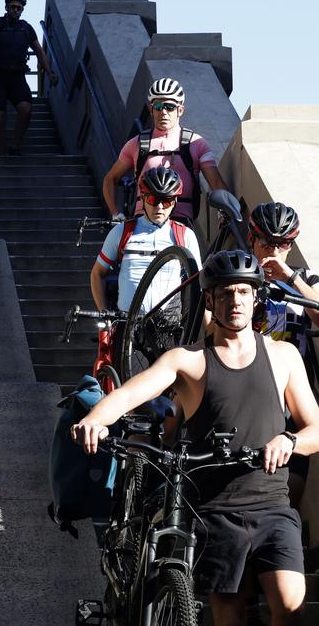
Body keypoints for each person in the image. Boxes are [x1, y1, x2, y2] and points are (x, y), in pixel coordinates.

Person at [72, 249, 319, 626]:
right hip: (214, 510)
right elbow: (132, 392)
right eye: (225, 293)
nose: (236, 301)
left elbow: (315, 429)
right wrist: (97, 419)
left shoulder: (283, 356)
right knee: (228, 620)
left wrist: (290, 440)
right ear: (209, 300)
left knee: (290, 607)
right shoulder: (189, 361)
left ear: (256, 298)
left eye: (244, 292)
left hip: (272, 505)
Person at [248, 201, 319, 506]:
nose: (274, 251)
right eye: (267, 243)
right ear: (252, 239)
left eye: (283, 244)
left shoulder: (306, 280)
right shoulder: (240, 277)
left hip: (291, 404)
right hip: (245, 395)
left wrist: (290, 278)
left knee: (289, 496)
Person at [102, 77, 228, 224]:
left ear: (180, 110)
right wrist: (115, 213)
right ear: (151, 109)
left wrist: (224, 210)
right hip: (142, 222)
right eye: (158, 107)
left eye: (169, 107)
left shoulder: (197, 144)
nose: (163, 112)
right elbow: (110, 178)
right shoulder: (136, 144)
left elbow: (217, 183)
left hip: (181, 223)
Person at [90, 167, 202, 313]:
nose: (160, 207)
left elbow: (199, 284)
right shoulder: (121, 232)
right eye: (153, 199)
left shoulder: (185, 235)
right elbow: (97, 274)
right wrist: (104, 313)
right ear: (142, 198)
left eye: (166, 201)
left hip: (168, 325)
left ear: (175, 202)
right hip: (127, 322)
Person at [0, 0, 58, 156]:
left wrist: (49, 72)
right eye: (12, 7)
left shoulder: (26, 29)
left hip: (17, 78)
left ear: (22, 10)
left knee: (26, 110)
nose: (15, 10)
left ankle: (15, 146)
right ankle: (1, 155)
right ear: (6, 7)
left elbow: (39, 51)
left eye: (19, 8)